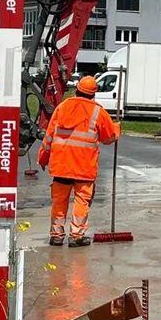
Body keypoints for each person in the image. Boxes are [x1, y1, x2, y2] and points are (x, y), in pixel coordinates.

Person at [37, 75, 120, 247]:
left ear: (77, 90)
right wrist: (116, 128)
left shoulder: (62, 107)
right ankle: (76, 236)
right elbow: (109, 137)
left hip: (61, 166)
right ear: (93, 94)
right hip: (84, 168)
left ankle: (56, 235)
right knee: (81, 202)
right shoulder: (98, 112)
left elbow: (49, 137)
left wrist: (43, 158)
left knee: (59, 202)